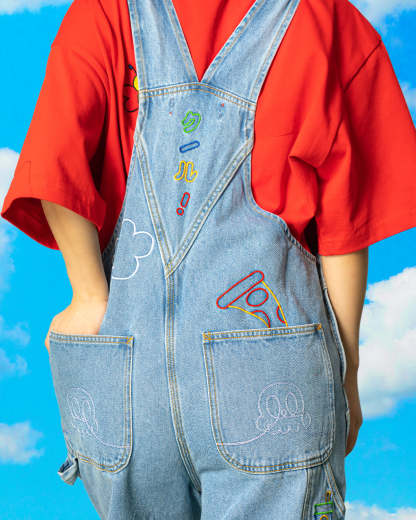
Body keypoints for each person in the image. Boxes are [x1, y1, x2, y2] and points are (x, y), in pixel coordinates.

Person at [1, 0, 415, 518]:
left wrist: (88, 296)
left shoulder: (102, 12)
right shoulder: (325, 19)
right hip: (273, 374)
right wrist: (346, 371)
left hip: (123, 366)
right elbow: (345, 226)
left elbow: (54, 163)